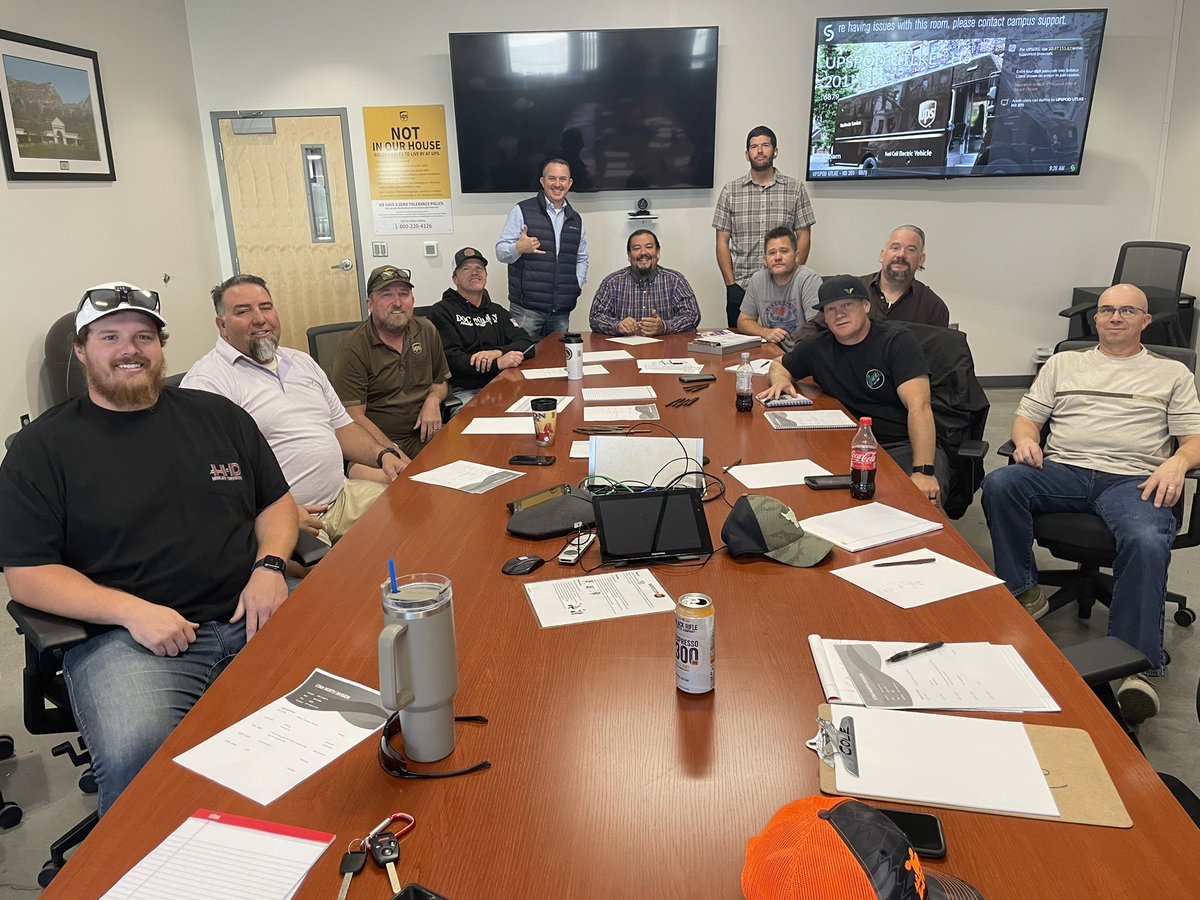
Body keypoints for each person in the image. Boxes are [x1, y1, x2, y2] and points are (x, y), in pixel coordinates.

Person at [0, 283, 297, 815]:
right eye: (109, 336)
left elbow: (275, 505)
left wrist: (270, 565)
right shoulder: (40, 449)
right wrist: (131, 611)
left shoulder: (218, 417)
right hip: (128, 640)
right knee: (143, 762)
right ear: (81, 351)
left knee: (347, 709)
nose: (128, 349)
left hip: (252, 613)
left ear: (161, 346)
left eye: (143, 336)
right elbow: (28, 574)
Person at [982, 284, 1200, 723]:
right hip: (1065, 470)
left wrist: (1178, 462)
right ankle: (1025, 591)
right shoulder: (1064, 363)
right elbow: (1028, 417)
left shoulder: (1172, 373)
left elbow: (1193, 438)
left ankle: (1135, 667)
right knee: (1001, 483)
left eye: (1127, 310)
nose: (1115, 317)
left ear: (1145, 321)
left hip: (1135, 479)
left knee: (1146, 537)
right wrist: (1025, 440)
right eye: (1106, 310)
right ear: (1095, 319)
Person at [183, 274, 406, 545]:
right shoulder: (208, 382)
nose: (259, 318)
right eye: (243, 311)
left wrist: (382, 455)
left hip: (342, 496)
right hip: (288, 517)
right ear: (222, 325)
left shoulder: (301, 362)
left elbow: (342, 428)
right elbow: (212, 478)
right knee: (343, 576)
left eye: (266, 307)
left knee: (410, 513)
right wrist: (272, 516)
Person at [760, 275, 944, 503]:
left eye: (847, 305)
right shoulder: (818, 346)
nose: (839, 314)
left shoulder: (897, 342)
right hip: (849, 445)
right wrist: (780, 380)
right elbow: (779, 363)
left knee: (918, 503)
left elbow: (920, 406)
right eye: (831, 309)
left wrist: (923, 471)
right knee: (810, 499)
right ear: (824, 317)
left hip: (901, 444)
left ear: (866, 306)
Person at [332, 265, 451, 460]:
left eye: (404, 294)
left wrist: (433, 400)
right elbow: (353, 415)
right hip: (376, 443)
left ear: (412, 300)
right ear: (370, 304)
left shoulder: (426, 330)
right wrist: (390, 451)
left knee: (472, 455)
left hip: (425, 435)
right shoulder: (353, 345)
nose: (397, 303)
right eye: (386, 295)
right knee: (395, 483)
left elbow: (439, 382)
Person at [713, 125, 816, 327]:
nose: (759, 151)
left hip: (783, 286)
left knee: (783, 343)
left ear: (775, 151)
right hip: (741, 285)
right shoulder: (730, 191)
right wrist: (730, 284)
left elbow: (804, 235)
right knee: (739, 345)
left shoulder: (795, 189)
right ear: (747, 154)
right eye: (754, 147)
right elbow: (722, 241)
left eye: (765, 145)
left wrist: (793, 274)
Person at [797, 226, 949, 339]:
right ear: (882, 255)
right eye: (895, 248)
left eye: (910, 250)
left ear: (921, 260)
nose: (901, 255)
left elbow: (938, 359)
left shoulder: (934, 308)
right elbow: (814, 328)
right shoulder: (850, 289)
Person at [495, 158, 589, 339]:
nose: (557, 184)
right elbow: (500, 251)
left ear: (569, 183)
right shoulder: (522, 210)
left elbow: (581, 257)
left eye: (562, 179)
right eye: (552, 178)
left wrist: (576, 284)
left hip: (561, 311)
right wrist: (518, 247)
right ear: (542, 181)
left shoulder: (575, 219)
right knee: (522, 359)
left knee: (558, 361)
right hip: (526, 311)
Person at [429, 247, 535, 406]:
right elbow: (451, 361)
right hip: (466, 392)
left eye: (479, 268)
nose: (474, 272)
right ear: (455, 279)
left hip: (506, 385)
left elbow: (527, 344)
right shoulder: (442, 311)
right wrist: (497, 364)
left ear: (486, 276)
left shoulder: (497, 311)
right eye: (466, 268)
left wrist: (497, 352)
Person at [588, 229, 701, 336]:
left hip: (665, 351)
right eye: (636, 248)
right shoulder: (612, 282)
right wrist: (616, 326)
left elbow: (693, 316)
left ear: (658, 252)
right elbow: (595, 317)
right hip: (624, 351)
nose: (643, 252)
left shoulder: (675, 281)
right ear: (629, 255)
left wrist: (664, 326)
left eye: (649, 247)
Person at [736, 226, 822, 349]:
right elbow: (743, 322)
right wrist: (765, 332)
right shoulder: (757, 280)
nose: (777, 257)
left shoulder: (808, 279)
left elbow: (816, 327)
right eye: (772, 253)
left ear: (796, 256)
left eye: (784, 251)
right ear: (765, 260)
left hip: (804, 353)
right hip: (772, 353)